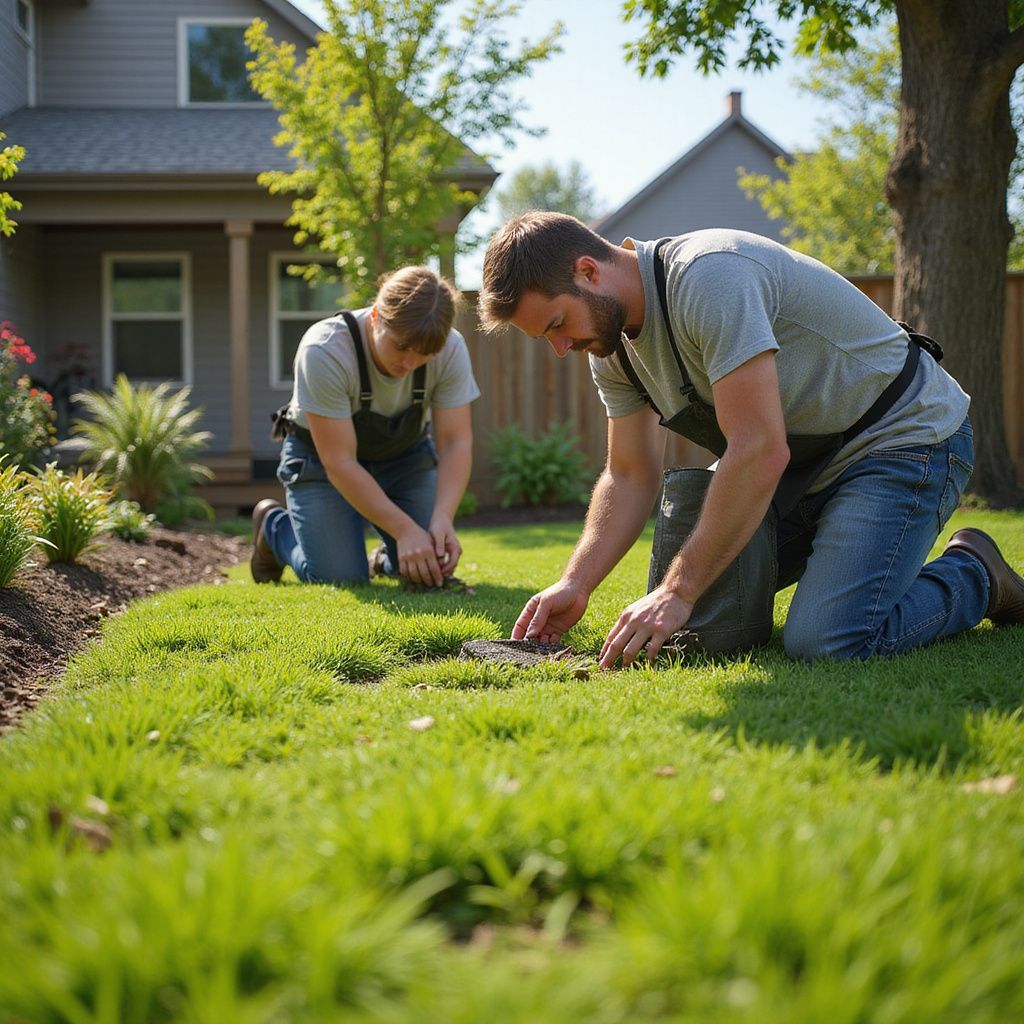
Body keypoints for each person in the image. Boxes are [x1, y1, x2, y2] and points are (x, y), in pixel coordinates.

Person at [478, 212, 1024, 666]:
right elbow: (629, 474)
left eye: (556, 325)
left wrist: (677, 590)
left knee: (826, 642)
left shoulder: (710, 276)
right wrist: (577, 583)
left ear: (588, 271)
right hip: (799, 466)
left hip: (902, 439)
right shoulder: (612, 345)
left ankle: (975, 571)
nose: (560, 347)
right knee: (703, 632)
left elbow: (759, 448)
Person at [251, 265, 479, 587]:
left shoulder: (450, 348)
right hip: (322, 463)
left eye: (424, 354)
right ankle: (275, 529)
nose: (409, 363)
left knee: (429, 567)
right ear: (375, 316)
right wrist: (405, 530)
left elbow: (456, 442)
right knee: (340, 577)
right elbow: (340, 461)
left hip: (404, 458)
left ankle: (387, 561)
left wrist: (442, 517)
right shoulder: (325, 350)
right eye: (400, 346)